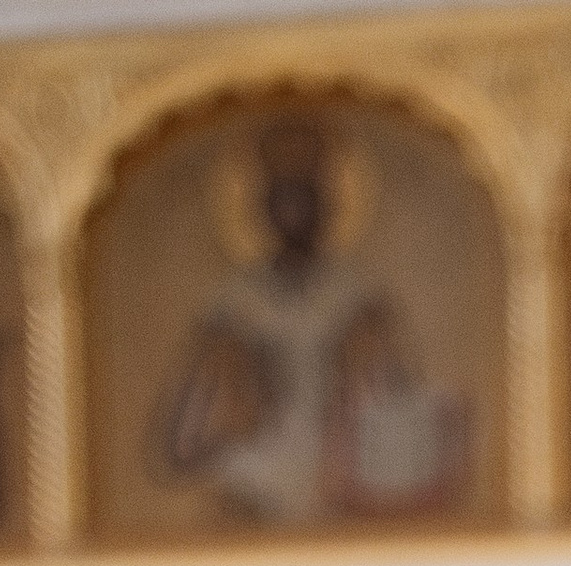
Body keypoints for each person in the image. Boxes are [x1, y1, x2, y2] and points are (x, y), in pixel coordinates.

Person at [158, 114, 463, 527]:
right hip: (250, 498)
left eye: (305, 198)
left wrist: (367, 382)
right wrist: (234, 393)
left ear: (327, 205)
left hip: (341, 500)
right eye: (283, 198)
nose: (294, 212)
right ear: (261, 208)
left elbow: (399, 420)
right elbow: (180, 446)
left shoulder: (360, 298)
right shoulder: (232, 304)